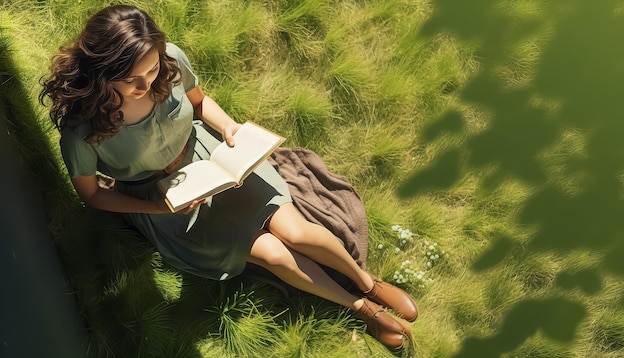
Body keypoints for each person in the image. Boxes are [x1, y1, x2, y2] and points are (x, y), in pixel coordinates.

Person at [40, 4, 418, 350]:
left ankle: (369, 282)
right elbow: (93, 196)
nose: (146, 85)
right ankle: (362, 308)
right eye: (130, 79)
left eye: (152, 70)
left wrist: (228, 127)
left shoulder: (171, 60)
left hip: (210, 156)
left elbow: (200, 102)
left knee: (297, 231)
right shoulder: (82, 130)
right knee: (273, 254)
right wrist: (158, 206)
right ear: (102, 72)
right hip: (164, 198)